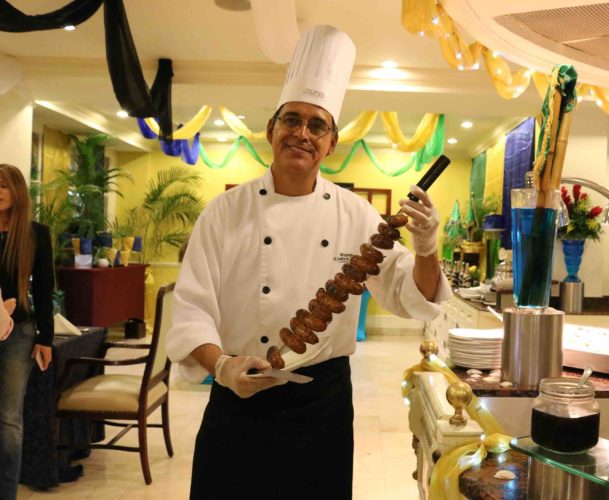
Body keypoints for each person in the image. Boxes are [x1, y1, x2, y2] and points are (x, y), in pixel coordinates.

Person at [166, 25, 452, 498]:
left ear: (331, 143)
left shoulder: (355, 214)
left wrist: (426, 247)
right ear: (271, 130)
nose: (302, 133)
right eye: (292, 120)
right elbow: (191, 310)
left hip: (321, 406)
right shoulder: (224, 212)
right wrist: (222, 367)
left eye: (317, 125)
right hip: (237, 396)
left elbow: (412, 295)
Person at [0, 164, 54, 500]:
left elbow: (45, 290)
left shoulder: (35, 234)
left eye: (3, 186)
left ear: (17, 191)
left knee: (9, 419)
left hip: (19, 334)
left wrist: (45, 338)